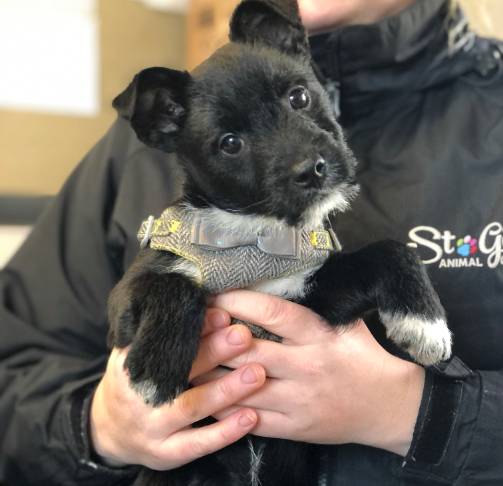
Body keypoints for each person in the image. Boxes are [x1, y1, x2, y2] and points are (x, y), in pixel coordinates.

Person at [0, 0, 502, 484]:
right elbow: (15, 368)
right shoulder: (136, 158)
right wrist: (97, 428)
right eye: (231, 144)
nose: (303, 159)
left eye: (298, 100)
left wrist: (417, 413)